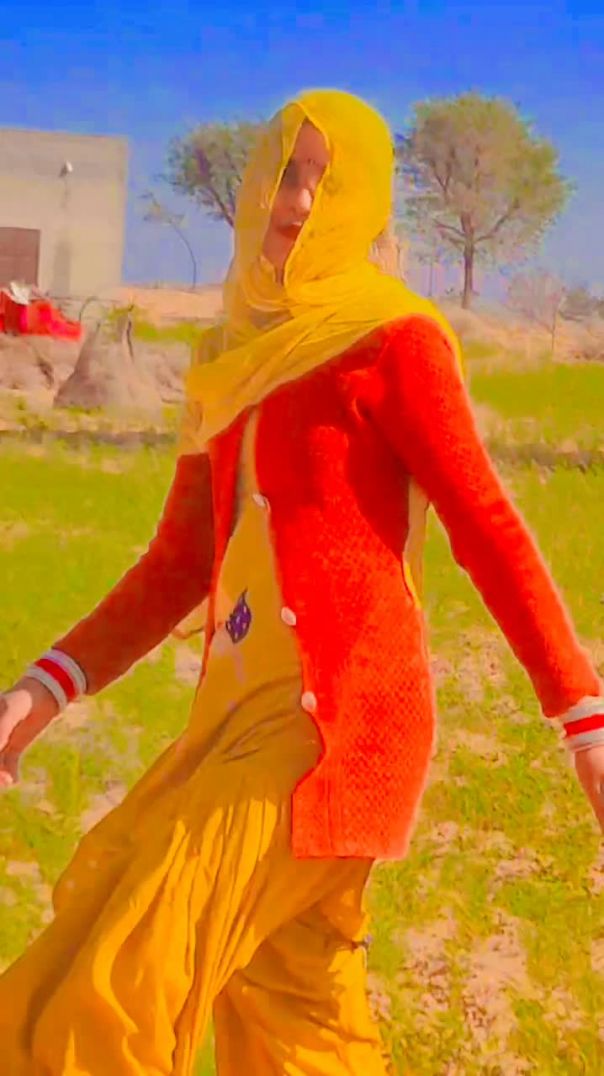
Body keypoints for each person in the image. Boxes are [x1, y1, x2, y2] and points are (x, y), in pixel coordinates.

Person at [0, 88, 602, 1076]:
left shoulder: (392, 340)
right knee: (299, 1031)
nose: (302, 200)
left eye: (331, 179)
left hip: (335, 732)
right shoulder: (230, 356)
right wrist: (44, 687)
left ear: (368, 201)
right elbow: (176, 564)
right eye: (288, 171)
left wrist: (582, 714)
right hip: (233, 723)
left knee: (116, 975)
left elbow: (485, 524)